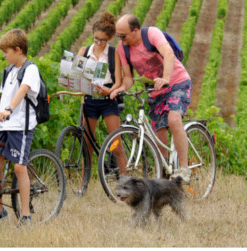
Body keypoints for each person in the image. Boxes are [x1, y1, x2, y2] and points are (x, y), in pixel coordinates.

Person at [109, 14, 192, 181]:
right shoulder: (123, 48)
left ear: (135, 31)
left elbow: (168, 53)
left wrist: (166, 78)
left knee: (174, 120)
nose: (120, 39)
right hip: (156, 91)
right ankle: (164, 175)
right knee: (158, 133)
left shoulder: (151, 34)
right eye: (118, 35)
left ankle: (184, 168)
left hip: (177, 83)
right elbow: (128, 78)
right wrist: (120, 89)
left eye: (123, 35)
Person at [0, 29, 39, 225]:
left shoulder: (30, 69)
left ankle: (25, 215)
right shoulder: (8, 70)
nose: (4, 55)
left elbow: (22, 92)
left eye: (6, 52)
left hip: (21, 125)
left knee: (19, 167)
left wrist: (9, 109)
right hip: (3, 125)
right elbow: (6, 96)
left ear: (18, 50)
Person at [75, 12, 128, 193]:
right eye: (96, 39)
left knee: (116, 143)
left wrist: (110, 90)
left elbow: (119, 82)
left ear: (110, 38)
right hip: (89, 99)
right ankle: (84, 186)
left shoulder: (114, 54)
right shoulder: (84, 51)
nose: (98, 43)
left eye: (102, 40)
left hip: (107, 99)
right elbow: (74, 75)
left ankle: (125, 185)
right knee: (87, 145)